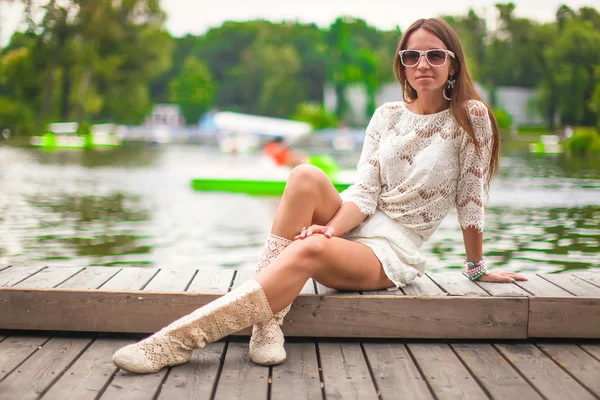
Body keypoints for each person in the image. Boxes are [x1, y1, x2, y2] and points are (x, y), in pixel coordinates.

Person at [112, 18, 528, 374]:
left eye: (435, 56)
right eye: (412, 56)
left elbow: (471, 200)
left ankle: (177, 341)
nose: (423, 65)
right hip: (357, 220)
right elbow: (364, 192)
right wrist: (331, 229)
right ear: (401, 65)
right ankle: (267, 324)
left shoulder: (471, 117)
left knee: (310, 248)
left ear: (452, 62)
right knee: (305, 175)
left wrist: (476, 269)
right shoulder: (386, 115)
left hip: (392, 248)